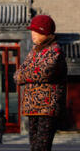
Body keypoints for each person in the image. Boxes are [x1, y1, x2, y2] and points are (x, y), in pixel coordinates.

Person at [13, 14, 66, 151]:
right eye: (32, 31)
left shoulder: (55, 51)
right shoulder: (33, 52)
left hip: (47, 107)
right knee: (34, 147)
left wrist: (27, 73)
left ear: (45, 32)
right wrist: (28, 73)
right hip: (32, 106)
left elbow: (43, 72)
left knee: (41, 147)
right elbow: (17, 76)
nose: (33, 34)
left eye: (36, 31)